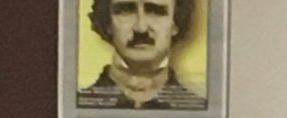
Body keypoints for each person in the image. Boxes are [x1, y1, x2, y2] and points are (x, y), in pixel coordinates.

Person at [78, 0, 206, 111]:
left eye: (156, 11)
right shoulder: (79, 104)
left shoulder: (198, 110)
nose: (141, 28)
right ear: (107, 23)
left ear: (176, 23)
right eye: (125, 10)